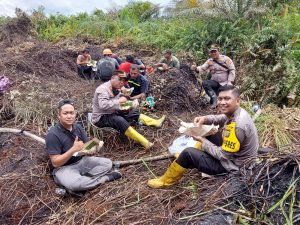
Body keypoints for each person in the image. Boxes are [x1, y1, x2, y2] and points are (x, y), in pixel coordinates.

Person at [147, 85, 259, 188]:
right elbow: (221, 118)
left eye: (227, 99)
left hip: (235, 167)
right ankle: (194, 159)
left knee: (188, 153)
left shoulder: (238, 126)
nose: (222, 102)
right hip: (236, 157)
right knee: (211, 134)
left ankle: (166, 181)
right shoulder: (237, 113)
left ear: (237, 101)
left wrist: (202, 140)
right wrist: (205, 119)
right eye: (220, 99)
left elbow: (223, 156)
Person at [45, 99, 121, 194]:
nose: (69, 116)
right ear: (59, 115)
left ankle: (84, 182)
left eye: (71, 113)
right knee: (75, 184)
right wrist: (73, 149)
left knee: (107, 163)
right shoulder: (53, 134)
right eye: (65, 113)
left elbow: (86, 146)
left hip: (81, 162)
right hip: (64, 168)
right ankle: (104, 179)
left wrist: (92, 149)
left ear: (75, 114)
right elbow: (55, 163)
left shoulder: (78, 127)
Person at [91, 71, 165, 149]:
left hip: (111, 112)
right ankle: (145, 142)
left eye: (123, 81)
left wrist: (125, 99)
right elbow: (103, 105)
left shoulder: (115, 88)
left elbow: (116, 99)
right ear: (112, 78)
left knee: (133, 112)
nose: (122, 83)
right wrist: (119, 101)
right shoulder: (103, 89)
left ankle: (155, 122)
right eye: (120, 80)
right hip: (101, 118)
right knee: (119, 120)